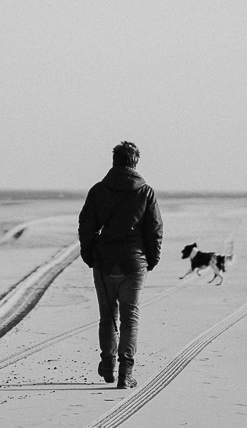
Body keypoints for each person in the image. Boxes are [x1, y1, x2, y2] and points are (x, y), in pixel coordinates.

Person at [78, 141, 164, 389]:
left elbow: (86, 226)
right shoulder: (146, 192)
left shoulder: (98, 191)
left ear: (114, 161)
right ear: (135, 162)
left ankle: (107, 365)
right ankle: (125, 373)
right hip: (134, 262)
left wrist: (89, 255)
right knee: (130, 317)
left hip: (104, 261)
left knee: (107, 316)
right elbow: (155, 229)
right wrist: (152, 259)